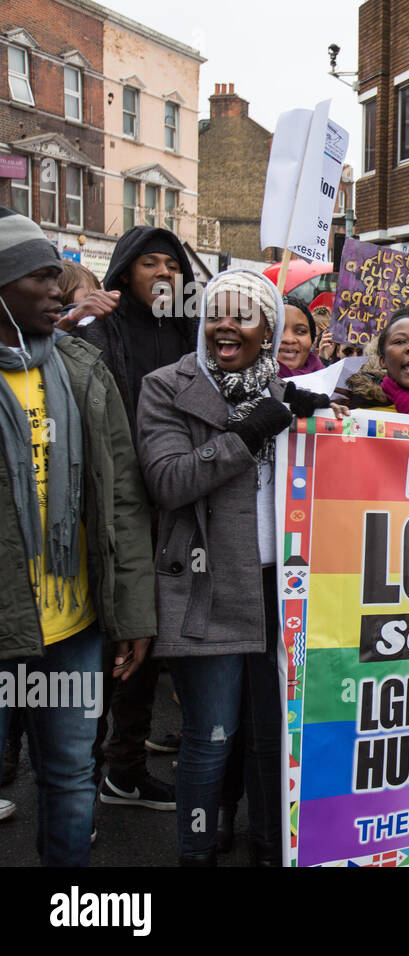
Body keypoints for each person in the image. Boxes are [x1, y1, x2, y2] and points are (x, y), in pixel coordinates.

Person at [136, 269, 339, 866]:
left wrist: (325, 425)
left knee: (273, 737)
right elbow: (169, 480)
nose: (226, 323)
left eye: (243, 314)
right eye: (216, 312)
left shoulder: (288, 392)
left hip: (285, 587)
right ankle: (195, 851)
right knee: (211, 737)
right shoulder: (166, 386)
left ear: (268, 329)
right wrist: (254, 429)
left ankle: (269, 845)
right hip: (208, 585)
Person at [0, 208, 155, 864]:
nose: (60, 291)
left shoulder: (83, 371)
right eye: (42, 278)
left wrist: (133, 614)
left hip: (72, 632)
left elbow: (121, 500)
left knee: (69, 779)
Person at [72, 224, 195, 812]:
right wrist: (73, 321)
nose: (164, 274)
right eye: (150, 264)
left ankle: (124, 770)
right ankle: (75, 784)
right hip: (113, 513)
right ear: (124, 273)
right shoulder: (97, 332)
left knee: (150, 648)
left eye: (172, 265)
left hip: (178, 511)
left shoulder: (199, 335)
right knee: (101, 650)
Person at [277, 296, 325, 378]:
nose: (289, 339)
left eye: (300, 331)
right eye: (278, 329)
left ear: (311, 340)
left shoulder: (330, 385)